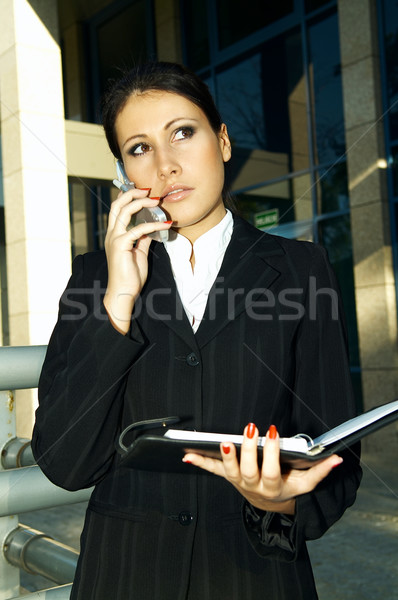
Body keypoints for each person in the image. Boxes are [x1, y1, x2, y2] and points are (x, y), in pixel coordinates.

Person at [31, 61, 362, 600]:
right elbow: (65, 461)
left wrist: (275, 499)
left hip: (255, 578)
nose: (166, 165)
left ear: (224, 142)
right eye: (139, 148)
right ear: (123, 174)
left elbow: (337, 459)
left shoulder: (302, 270)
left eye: (183, 133)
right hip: (123, 577)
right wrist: (119, 298)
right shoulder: (96, 275)